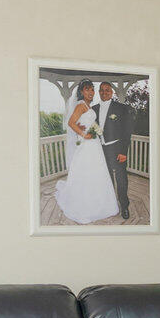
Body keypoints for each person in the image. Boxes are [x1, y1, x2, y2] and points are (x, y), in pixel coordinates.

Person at [53, 79, 119, 223]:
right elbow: (71, 122)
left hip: (94, 145)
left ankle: (99, 204)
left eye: (92, 90)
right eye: (87, 89)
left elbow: (86, 122)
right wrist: (84, 134)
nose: (90, 92)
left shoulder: (88, 106)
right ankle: (86, 206)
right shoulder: (81, 105)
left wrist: (95, 130)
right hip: (87, 144)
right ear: (82, 92)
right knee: (87, 172)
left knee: (96, 173)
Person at [95, 80, 137, 220]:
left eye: (107, 90)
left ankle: (124, 206)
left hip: (117, 148)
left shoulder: (121, 108)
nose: (104, 92)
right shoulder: (93, 109)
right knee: (105, 179)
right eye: (102, 90)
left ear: (112, 92)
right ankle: (109, 204)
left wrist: (124, 152)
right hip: (100, 150)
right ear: (99, 92)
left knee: (121, 179)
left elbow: (127, 131)